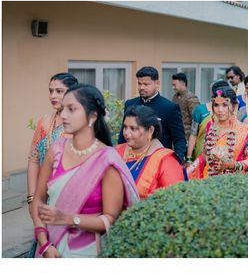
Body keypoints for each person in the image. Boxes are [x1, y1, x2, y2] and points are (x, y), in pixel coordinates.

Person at [31, 85, 138, 258]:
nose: (63, 115)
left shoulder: (106, 160)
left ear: (92, 116)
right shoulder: (56, 149)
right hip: (48, 248)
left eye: (71, 109)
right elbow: (38, 200)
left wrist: (67, 218)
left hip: (85, 253)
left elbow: (110, 218)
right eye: (63, 109)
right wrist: (44, 243)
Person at [27, 72, 78, 256]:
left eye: (59, 91)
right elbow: (33, 158)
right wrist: (32, 198)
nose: (52, 96)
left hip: (68, 200)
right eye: (50, 91)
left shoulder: (79, 124)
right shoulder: (45, 121)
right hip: (43, 197)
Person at [115, 106, 187, 199]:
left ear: (150, 130)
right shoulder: (116, 151)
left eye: (133, 128)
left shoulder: (166, 160)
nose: (126, 133)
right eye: (125, 127)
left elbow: (175, 200)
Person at [187, 86, 248, 179]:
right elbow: (204, 155)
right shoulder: (210, 126)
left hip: (235, 183)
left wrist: (232, 165)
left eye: (225, 105)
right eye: (216, 105)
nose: (220, 110)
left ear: (234, 106)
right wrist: (187, 172)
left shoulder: (246, 131)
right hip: (210, 182)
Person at [118, 66, 186, 162]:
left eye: (146, 84)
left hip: (159, 161)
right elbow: (122, 135)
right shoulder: (130, 104)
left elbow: (179, 139)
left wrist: (177, 161)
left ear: (157, 83)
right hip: (131, 160)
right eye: (139, 84)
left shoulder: (169, 107)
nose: (142, 87)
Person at [186, 81, 225, 163]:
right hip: (201, 156)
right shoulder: (200, 110)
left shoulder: (229, 112)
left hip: (222, 158)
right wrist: (189, 157)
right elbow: (193, 134)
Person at [171, 72, 200, 141]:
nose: (173, 87)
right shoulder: (175, 97)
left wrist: (192, 139)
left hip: (187, 136)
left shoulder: (191, 98)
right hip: (177, 134)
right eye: (172, 85)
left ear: (183, 84)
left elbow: (196, 120)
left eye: (175, 85)